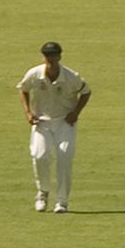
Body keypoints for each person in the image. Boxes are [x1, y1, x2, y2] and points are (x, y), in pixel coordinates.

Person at [17, 39, 91, 213]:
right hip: (41, 122)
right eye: (47, 56)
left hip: (65, 122)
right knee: (40, 155)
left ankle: (62, 201)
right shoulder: (35, 74)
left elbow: (86, 92)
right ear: (43, 57)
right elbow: (23, 89)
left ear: (59, 56)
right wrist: (28, 112)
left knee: (64, 157)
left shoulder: (71, 76)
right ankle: (42, 193)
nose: (50, 59)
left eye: (54, 55)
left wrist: (76, 113)